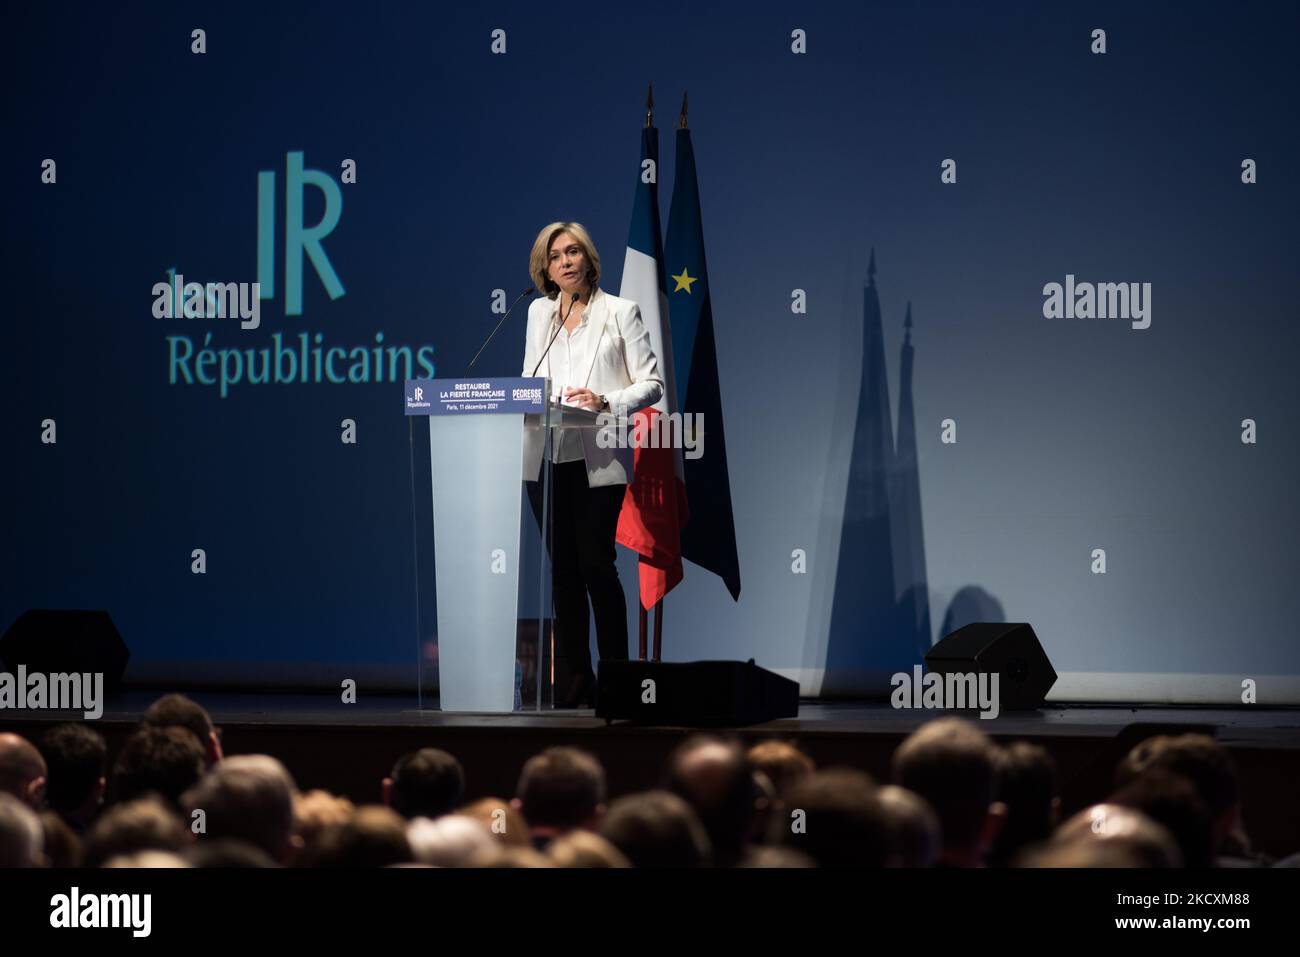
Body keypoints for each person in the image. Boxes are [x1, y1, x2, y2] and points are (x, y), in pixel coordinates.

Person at [522, 221, 664, 708]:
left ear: (588, 259)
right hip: (545, 456)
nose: (565, 261)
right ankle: (576, 680)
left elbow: (652, 384)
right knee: (561, 571)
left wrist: (603, 399)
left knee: (595, 566)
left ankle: (619, 678)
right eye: (555, 255)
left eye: (573, 251)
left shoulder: (620, 312)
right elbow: (528, 380)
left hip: (598, 457)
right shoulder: (539, 314)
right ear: (545, 268)